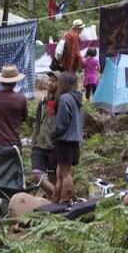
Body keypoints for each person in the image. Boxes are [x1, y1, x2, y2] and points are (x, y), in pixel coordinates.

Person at [50, 71, 84, 205]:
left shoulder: (65, 98)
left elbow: (62, 123)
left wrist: (53, 134)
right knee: (59, 173)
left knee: (65, 173)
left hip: (65, 140)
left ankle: (65, 201)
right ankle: (55, 200)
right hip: (73, 140)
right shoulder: (76, 99)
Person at [0, 64, 28, 148]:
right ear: (15, 82)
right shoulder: (20, 99)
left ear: (1, 81)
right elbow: (24, 118)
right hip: (13, 144)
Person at [30, 71, 58, 199]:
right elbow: (37, 123)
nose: (50, 83)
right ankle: (60, 197)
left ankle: (54, 204)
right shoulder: (42, 103)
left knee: (53, 179)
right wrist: (33, 142)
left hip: (54, 148)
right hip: (40, 147)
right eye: (49, 80)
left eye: (54, 81)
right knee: (36, 175)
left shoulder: (62, 103)